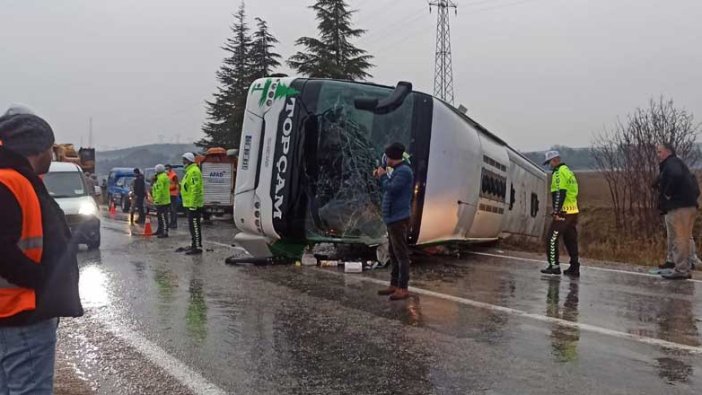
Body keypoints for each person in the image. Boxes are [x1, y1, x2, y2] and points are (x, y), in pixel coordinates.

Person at [0, 106, 83, 393]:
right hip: (21, 313)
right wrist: (43, 280)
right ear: (35, 148)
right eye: (51, 147)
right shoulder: (11, 182)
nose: (53, 154)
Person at [374, 142, 414, 301]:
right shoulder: (398, 170)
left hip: (398, 218)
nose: (385, 159)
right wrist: (381, 176)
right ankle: (394, 284)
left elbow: (391, 188)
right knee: (393, 252)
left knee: (401, 254)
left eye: (387, 156)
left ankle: (403, 288)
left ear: (392, 157)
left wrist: (383, 175)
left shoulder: (404, 171)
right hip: (392, 218)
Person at [656, 143, 699, 280]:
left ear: (668, 152)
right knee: (684, 238)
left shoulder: (672, 163)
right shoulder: (677, 163)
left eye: (659, 152)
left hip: (680, 207)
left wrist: (668, 193)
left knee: (679, 239)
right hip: (688, 205)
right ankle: (685, 265)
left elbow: (675, 175)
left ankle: (681, 269)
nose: (658, 155)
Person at [541, 150, 581, 276]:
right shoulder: (568, 171)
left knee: (551, 238)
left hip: (564, 212)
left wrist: (557, 211)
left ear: (555, 160)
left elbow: (560, 193)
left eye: (550, 162)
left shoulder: (558, 173)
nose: (550, 166)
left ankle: (554, 265)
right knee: (570, 239)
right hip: (573, 210)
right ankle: (574, 267)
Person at [181, 153, 204, 255]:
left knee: (194, 225)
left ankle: (197, 246)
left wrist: (193, 203)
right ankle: (193, 244)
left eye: (184, 160)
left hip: (193, 204)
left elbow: (195, 188)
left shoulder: (194, 171)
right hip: (189, 203)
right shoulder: (189, 171)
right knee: (191, 226)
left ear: (189, 160)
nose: (183, 162)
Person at [152, 164, 171, 238]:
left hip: (162, 201)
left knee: (163, 217)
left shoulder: (161, 178)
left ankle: (164, 231)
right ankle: (160, 230)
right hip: (162, 200)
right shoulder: (161, 176)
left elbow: (160, 190)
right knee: (160, 216)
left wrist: (157, 200)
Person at [165, 164, 179, 229]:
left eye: (168, 168)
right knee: (170, 210)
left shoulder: (174, 175)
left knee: (173, 210)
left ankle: (174, 223)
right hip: (168, 194)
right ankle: (171, 223)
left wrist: (168, 189)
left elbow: (176, 185)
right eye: (166, 168)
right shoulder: (166, 175)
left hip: (173, 194)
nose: (167, 170)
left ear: (171, 168)